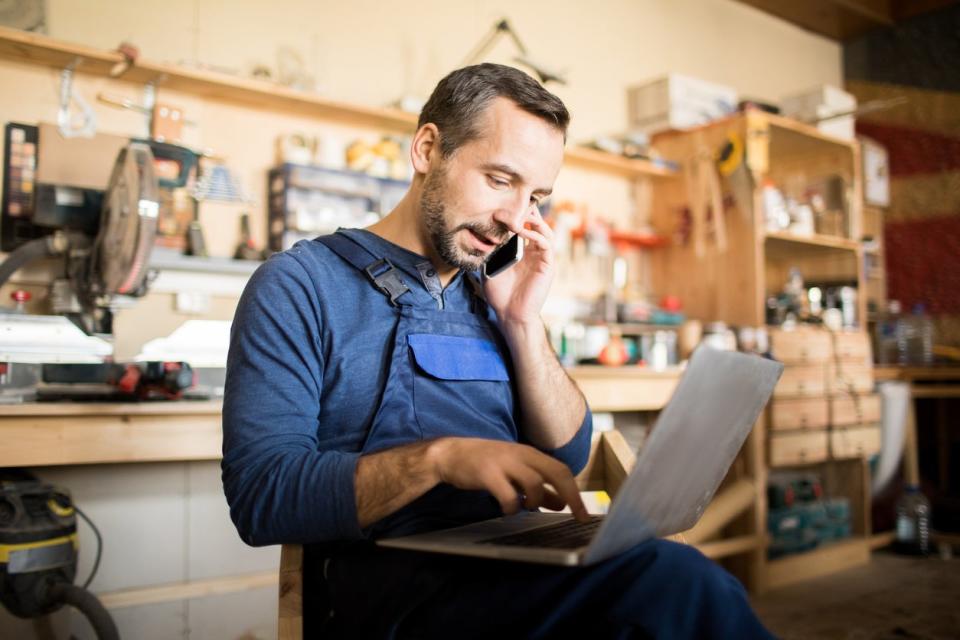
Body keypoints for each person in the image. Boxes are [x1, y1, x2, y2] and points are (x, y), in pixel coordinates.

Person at [222, 63, 775, 639]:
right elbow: (263, 496)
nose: (516, 218)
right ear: (427, 149)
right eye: (500, 180)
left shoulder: (492, 294)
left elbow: (568, 455)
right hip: (389, 590)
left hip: (510, 559)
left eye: (536, 195)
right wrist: (441, 458)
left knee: (675, 583)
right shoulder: (299, 286)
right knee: (672, 585)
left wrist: (522, 321)